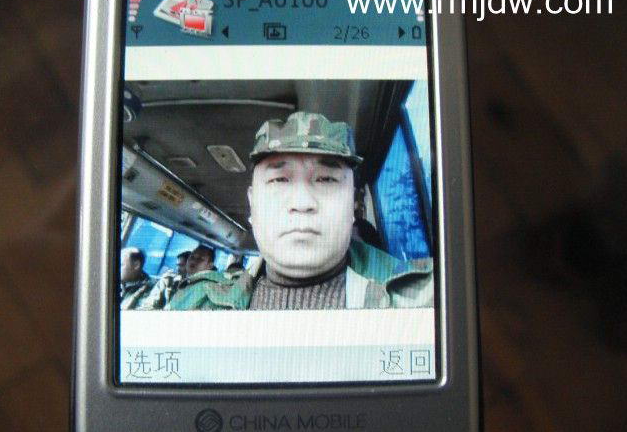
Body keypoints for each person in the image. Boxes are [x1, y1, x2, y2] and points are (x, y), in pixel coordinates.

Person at [169, 111, 433, 310]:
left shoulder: (431, 295)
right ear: (253, 204)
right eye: (279, 180)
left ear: (354, 205)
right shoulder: (194, 303)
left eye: (326, 179)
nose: (302, 202)